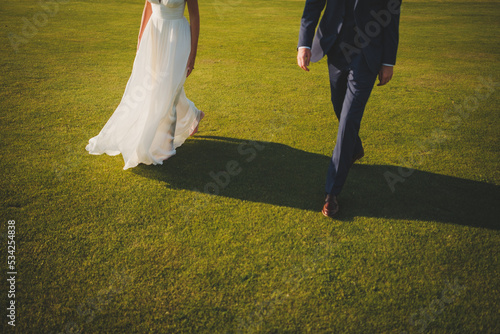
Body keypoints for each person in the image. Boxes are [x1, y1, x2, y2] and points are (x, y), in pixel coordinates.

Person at [297, 0, 401, 217]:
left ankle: (331, 193)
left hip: (367, 54)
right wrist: (304, 43)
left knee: (349, 119)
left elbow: (391, 13)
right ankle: (354, 148)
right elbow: (313, 5)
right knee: (338, 105)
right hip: (335, 48)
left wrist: (388, 61)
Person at [86, 0, 204, 170]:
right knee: (158, 88)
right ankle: (194, 114)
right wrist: (140, 38)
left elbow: (194, 16)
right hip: (154, 36)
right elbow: (148, 6)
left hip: (177, 37)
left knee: (168, 90)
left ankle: (165, 147)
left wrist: (192, 54)